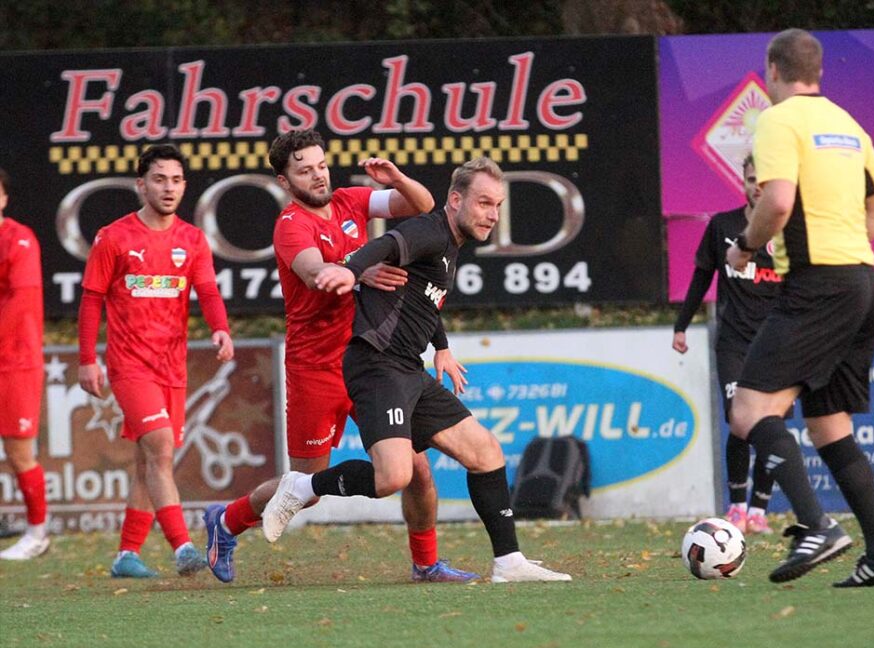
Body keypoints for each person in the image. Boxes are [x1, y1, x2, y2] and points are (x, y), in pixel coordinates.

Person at [263, 157, 571, 583]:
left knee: (486, 452)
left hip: (407, 368)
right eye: (484, 203)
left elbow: (424, 301)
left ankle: (508, 562)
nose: (492, 215)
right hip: (376, 364)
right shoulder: (429, 231)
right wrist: (350, 270)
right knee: (394, 476)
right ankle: (302, 488)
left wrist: (441, 347)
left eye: (497, 205)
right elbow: (388, 244)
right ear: (457, 199)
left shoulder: (448, 243)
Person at [203, 129, 478, 584]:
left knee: (417, 469)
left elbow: (423, 207)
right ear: (284, 182)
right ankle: (227, 522)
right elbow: (315, 273)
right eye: (304, 170)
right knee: (307, 488)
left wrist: (396, 178)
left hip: (372, 360)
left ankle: (426, 563)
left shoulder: (351, 200)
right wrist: (359, 269)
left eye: (320, 165)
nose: (317, 175)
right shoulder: (291, 225)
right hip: (316, 368)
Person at [725, 29, 874, 587]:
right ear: (819, 73)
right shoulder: (848, 123)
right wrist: (848, 252)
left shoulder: (778, 121)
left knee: (749, 411)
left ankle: (816, 526)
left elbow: (777, 202)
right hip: (862, 282)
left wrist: (746, 247)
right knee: (830, 426)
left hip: (819, 285)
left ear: (773, 72)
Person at [78, 144, 235, 578]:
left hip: (173, 366)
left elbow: (207, 291)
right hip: (130, 366)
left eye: (176, 179)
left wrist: (220, 327)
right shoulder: (114, 237)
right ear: (140, 184)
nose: (169, 188)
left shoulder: (191, 239)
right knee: (162, 448)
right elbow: (91, 300)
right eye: (160, 179)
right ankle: (183, 545)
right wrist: (86, 359)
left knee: (149, 460)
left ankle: (126, 554)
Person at [672, 154, 780, 535]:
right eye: (752, 178)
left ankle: (760, 511)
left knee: (770, 424)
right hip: (734, 340)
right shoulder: (723, 226)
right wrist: (681, 325)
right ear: (744, 181)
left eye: (765, 180)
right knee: (739, 421)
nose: (757, 186)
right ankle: (736, 507)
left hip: (776, 343)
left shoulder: (786, 230)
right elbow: (703, 276)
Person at [0, 168, 49, 560]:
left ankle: (37, 534)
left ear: (3, 199)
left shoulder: (19, 240)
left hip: (13, 361)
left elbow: (19, 306)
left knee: (18, 453)